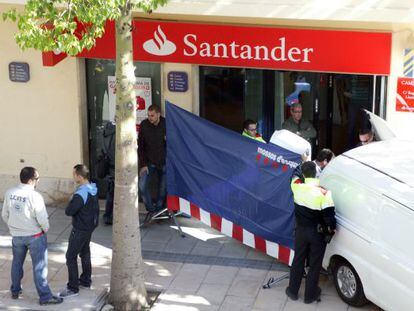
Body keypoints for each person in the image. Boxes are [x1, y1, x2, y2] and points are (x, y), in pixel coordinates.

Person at [1, 167, 63, 305]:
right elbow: (41, 217)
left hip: (17, 236)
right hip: (35, 236)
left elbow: (5, 214)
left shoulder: (10, 192)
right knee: (39, 267)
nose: (38, 181)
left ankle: (15, 291)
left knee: (17, 263)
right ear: (30, 180)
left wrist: (14, 227)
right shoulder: (35, 196)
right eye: (37, 179)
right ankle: (45, 296)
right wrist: (45, 228)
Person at [285, 161, 336, 304]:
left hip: (300, 231)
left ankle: (292, 291)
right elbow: (329, 218)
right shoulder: (324, 193)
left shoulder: (297, 187)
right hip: (317, 234)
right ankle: (310, 295)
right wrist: (331, 229)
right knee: (315, 264)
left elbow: (294, 175)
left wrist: (303, 161)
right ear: (316, 173)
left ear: (303, 174)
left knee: (298, 260)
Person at [59, 164, 99, 298]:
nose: (73, 176)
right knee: (85, 252)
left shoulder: (80, 193)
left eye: (74, 174)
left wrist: (71, 199)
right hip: (89, 227)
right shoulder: (92, 188)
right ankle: (86, 281)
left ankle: (73, 288)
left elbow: (69, 211)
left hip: (80, 229)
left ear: (80, 177)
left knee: (70, 256)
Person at [138, 104, 166, 213]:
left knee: (163, 189)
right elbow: (140, 146)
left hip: (164, 162)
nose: (150, 118)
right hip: (149, 162)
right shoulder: (144, 125)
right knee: (142, 186)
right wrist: (143, 164)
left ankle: (158, 211)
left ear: (158, 114)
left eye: (152, 115)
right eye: (149, 115)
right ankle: (151, 210)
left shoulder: (166, 124)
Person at [101, 121, 115, 225]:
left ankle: (107, 215)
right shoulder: (116, 134)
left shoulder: (104, 133)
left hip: (108, 166)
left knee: (110, 192)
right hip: (115, 166)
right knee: (113, 192)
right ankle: (108, 216)